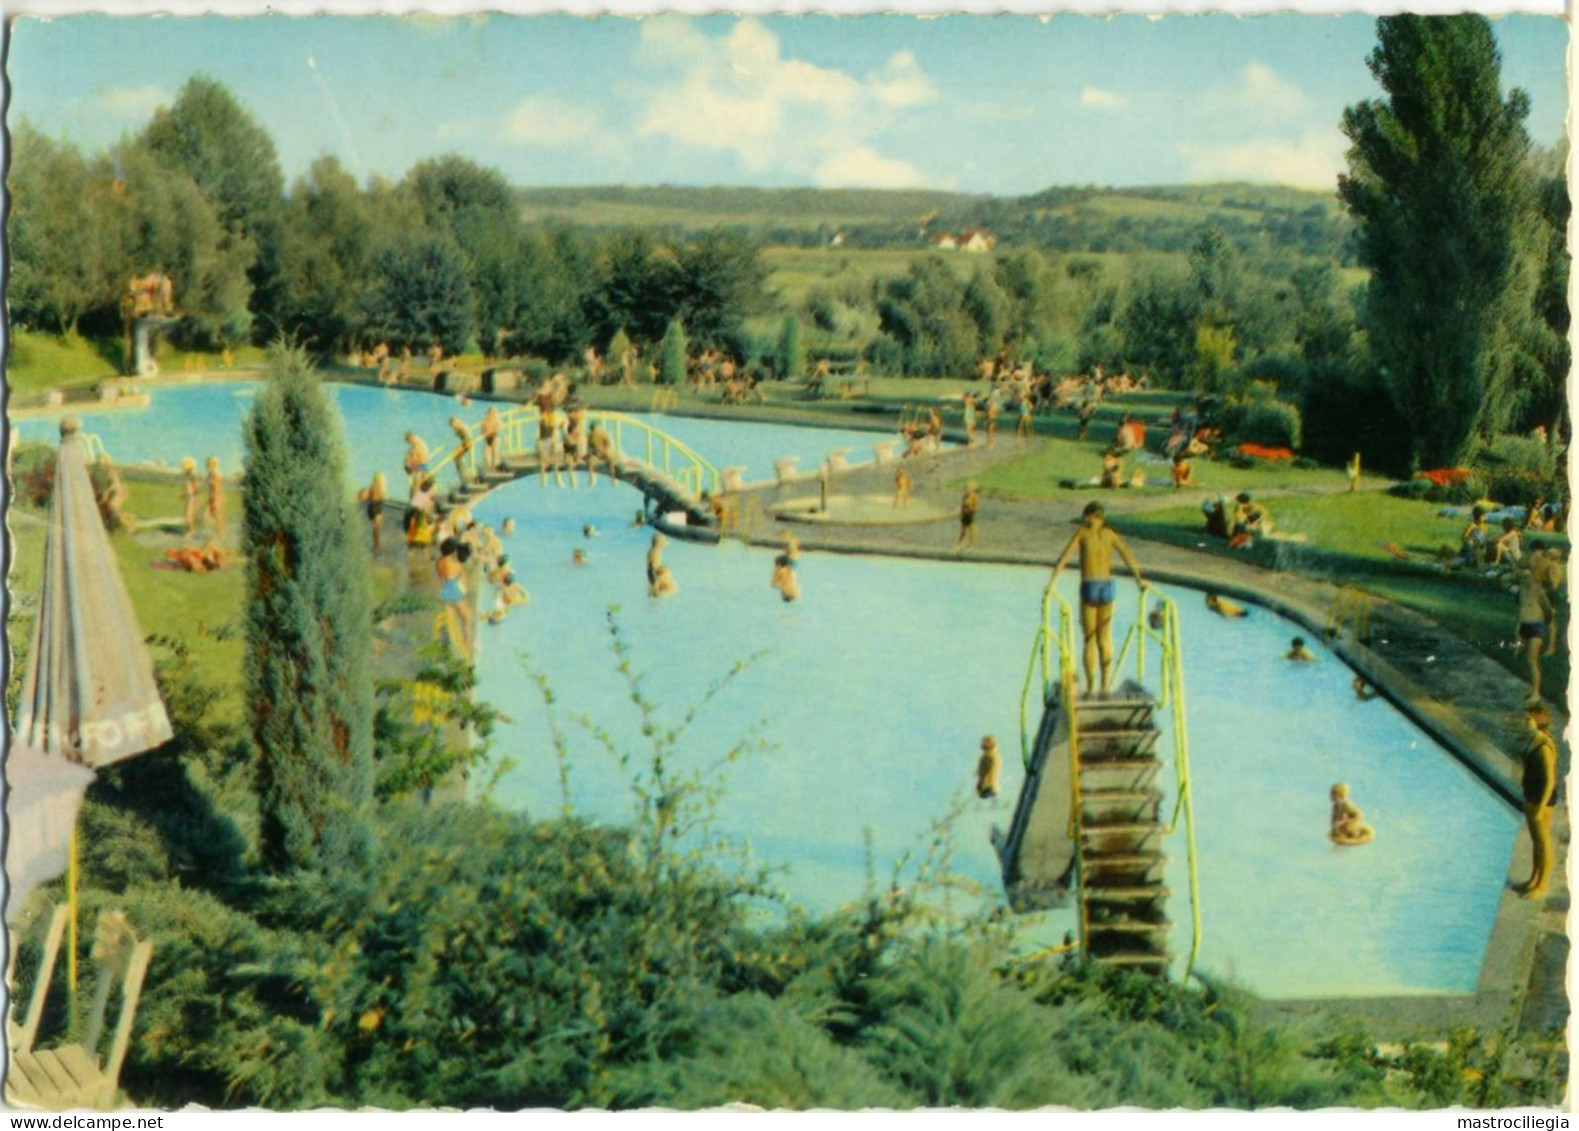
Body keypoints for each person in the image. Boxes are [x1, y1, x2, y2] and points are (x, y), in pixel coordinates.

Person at [1046, 502, 1149, 697]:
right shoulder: (1111, 534)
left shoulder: (1082, 533)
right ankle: (1105, 684)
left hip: (1090, 585)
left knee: (1089, 639)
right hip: (1108, 586)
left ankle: (1091, 686)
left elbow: (1064, 557)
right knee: (1105, 638)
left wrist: (1051, 583)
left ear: (1091, 516)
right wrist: (1139, 581)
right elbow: (1128, 556)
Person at [1516, 702, 1559, 899]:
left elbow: (1550, 780)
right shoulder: (1534, 739)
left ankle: (1543, 885)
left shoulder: (1544, 747)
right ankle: (1533, 878)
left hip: (1543, 799)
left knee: (1544, 841)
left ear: (1537, 721)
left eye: (1528, 719)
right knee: (1536, 841)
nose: (1525, 722)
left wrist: (1541, 808)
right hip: (1532, 795)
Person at [1515, 561, 1555, 699]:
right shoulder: (1521, 590)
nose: (1523, 580)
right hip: (1524, 627)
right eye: (1521, 577)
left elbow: (1549, 611)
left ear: (1531, 576)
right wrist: (1518, 633)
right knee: (1525, 661)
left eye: (1526, 577)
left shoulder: (1538, 590)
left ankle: (1536, 693)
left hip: (1536, 627)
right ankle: (1532, 689)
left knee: (1532, 660)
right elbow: (1521, 611)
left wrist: (1551, 642)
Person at [435, 538, 472, 654]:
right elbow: (463, 579)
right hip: (454, 591)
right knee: (466, 618)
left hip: (444, 591)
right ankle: (467, 646)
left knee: (450, 620)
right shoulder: (455, 563)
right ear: (453, 550)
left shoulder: (439, 562)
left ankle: (447, 647)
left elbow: (442, 578)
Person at [359, 472, 388, 552]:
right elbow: (382, 497)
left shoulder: (375, 487)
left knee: (375, 529)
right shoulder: (376, 488)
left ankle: (376, 545)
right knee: (376, 530)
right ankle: (376, 546)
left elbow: (366, 496)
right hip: (375, 508)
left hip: (374, 508)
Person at [204, 457, 225, 537]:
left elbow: (216, 486)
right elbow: (207, 482)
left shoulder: (216, 473)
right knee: (207, 515)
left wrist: (214, 498)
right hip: (213, 496)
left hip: (217, 496)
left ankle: (220, 534)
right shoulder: (211, 473)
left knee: (217, 515)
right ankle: (215, 532)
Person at [955, 482, 980, 551]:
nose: (967, 491)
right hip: (965, 515)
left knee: (971, 531)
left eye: (968, 489)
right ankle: (959, 544)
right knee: (963, 531)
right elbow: (962, 506)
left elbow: (976, 508)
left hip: (970, 515)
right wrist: (961, 514)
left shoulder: (974, 497)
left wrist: (971, 510)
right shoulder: (964, 497)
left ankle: (972, 545)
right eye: (966, 489)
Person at [975, 736, 1001, 800]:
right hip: (985, 788)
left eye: (987, 742)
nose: (984, 744)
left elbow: (990, 772)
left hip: (988, 788)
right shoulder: (985, 756)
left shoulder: (992, 756)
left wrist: (982, 785)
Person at [481, 406, 503, 471]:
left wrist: (492, 431)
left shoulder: (497, 420)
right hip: (487, 439)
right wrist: (485, 433)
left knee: (495, 452)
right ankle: (488, 467)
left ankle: (496, 466)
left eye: (493, 413)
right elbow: (482, 429)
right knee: (486, 455)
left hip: (495, 438)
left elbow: (499, 428)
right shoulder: (485, 420)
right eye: (490, 413)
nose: (491, 414)